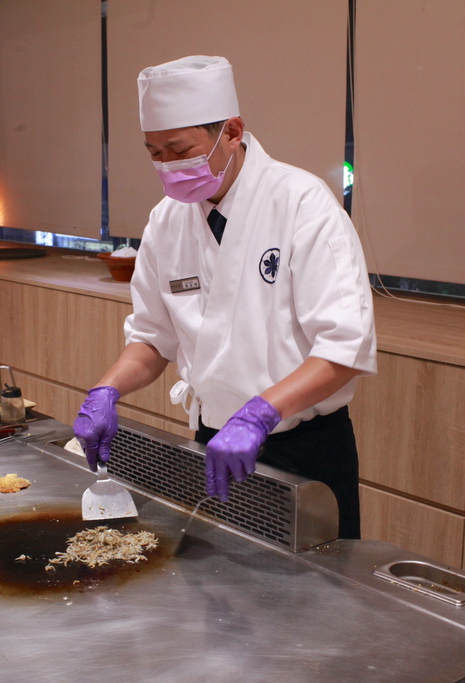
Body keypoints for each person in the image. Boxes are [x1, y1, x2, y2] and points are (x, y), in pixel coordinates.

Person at [74, 55, 376, 538]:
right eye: (155, 153)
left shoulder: (302, 203)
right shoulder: (167, 221)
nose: (168, 166)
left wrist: (261, 413)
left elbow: (344, 349)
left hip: (303, 448)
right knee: (221, 597)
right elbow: (154, 340)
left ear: (232, 131)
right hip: (213, 446)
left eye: (180, 149)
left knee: (315, 604)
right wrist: (106, 390)